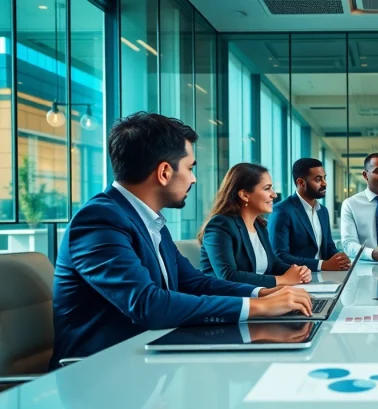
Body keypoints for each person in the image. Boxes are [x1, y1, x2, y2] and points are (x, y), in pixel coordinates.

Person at [50, 112, 311, 370]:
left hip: (152, 358)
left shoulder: (150, 221)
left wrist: (263, 293)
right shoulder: (99, 219)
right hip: (100, 375)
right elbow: (147, 304)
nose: (194, 178)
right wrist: (258, 307)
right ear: (164, 172)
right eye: (189, 168)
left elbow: (193, 282)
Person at [199, 163, 312, 288]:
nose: (274, 194)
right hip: (226, 301)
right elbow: (228, 276)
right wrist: (282, 279)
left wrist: (297, 271)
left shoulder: (259, 225)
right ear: (244, 195)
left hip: (256, 295)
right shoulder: (220, 225)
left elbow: (273, 264)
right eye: (267, 188)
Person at [268, 158, 351, 272]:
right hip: (298, 279)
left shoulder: (323, 211)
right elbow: (279, 256)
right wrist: (322, 265)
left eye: (324, 178)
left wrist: (340, 258)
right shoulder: (282, 211)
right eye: (318, 179)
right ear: (301, 183)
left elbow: (328, 246)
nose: (324, 183)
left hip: (325, 277)